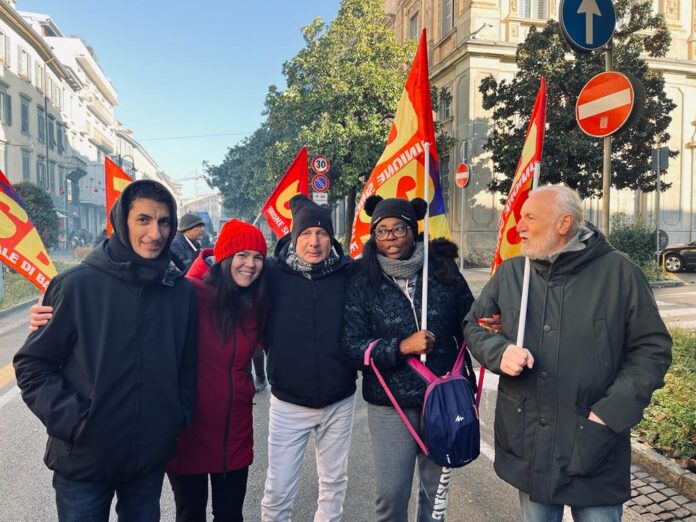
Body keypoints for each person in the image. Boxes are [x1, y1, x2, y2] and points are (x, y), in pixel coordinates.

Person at [463, 184, 672, 522]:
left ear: (564, 224)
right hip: (529, 440)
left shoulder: (620, 273)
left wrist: (608, 415)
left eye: (530, 217)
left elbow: (652, 350)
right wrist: (498, 351)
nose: (520, 226)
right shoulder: (513, 273)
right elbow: (475, 325)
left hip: (594, 443)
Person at [14, 180, 198, 522]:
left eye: (164, 222)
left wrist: (175, 418)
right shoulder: (76, 286)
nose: (155, 233)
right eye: (143, 220)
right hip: (83, 461)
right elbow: (32, 366)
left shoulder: (179, 292)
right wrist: (75, 423)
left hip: (147, 460)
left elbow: (186, 366)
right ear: (122, 222)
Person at [342, 196, 475, 522]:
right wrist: (399, 347)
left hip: (443, 397)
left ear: (412, 229)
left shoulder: (443, 269)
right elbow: (351, 346)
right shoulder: (362, 281)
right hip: (391, 405)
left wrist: (487, 323)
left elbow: (469, 318)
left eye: (398, 229)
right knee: (391, 495)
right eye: (382, 231)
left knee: (435, 491)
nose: (390, 238)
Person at [261, 194, 357, 522]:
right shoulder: (271, 273)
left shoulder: (348, 273)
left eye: (322, 234)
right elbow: (230, 279)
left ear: (331, 238)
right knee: (278, 490)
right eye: (305, 234)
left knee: (333, 485)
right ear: (293, 237)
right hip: (289, 403)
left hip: (338, 401)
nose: (314, 242)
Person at [167, 219, 269, 522]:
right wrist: (56, 311)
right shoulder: (186, 294)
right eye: (242, 255)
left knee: (229, 514)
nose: (250, 265)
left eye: (258, 257)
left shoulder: (257, 299)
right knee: (189, 513)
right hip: (187, 429)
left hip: (233, 430)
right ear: (224, 257)